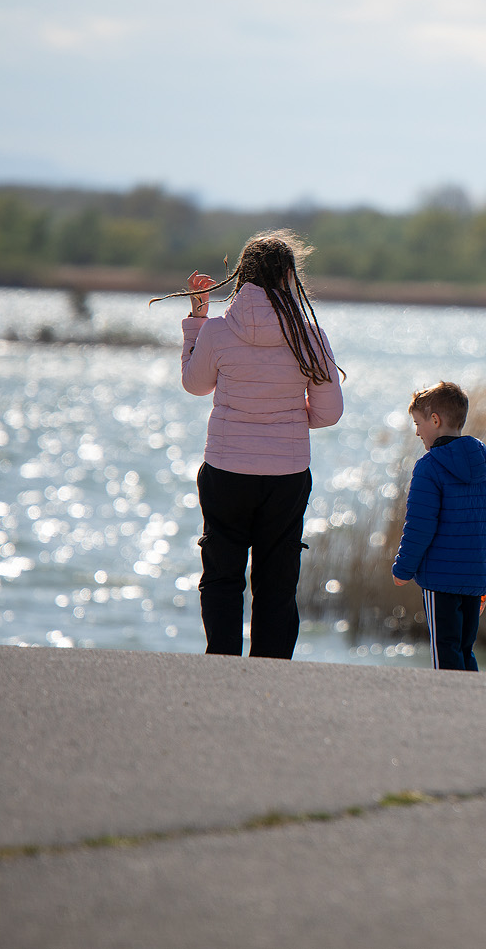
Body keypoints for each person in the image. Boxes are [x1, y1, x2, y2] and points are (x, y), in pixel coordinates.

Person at [154, 230, 342, 658]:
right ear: (289, 277)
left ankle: (222, 666)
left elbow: (194, 385)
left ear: (242, 274)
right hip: (287, 476)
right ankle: (269, 675)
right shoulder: (308, 335)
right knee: (277, 583)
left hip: (225, 471)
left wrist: (197, 319)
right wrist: (290, 422)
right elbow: (329, 412)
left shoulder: (219, 332)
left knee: (222, 576)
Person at [391, 382, 486, 671]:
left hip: (441, 578)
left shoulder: (429, 467)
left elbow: (420, 525)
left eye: (418, 423)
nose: (417, 432)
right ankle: (470, 706)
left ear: (435, 420)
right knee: (465, 648)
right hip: (478, 574)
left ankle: (448, 710)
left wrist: (403, 568)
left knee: (445, 650)